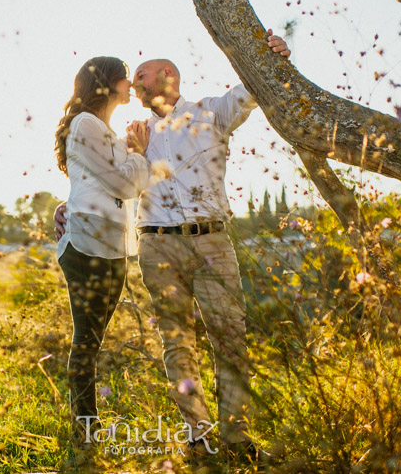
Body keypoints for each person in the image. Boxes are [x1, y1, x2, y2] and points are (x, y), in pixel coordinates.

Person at [56, 31, 291, 462]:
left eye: (141, 75)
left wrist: (270, 52)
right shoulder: (131, 135)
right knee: (177, 343)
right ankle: (198, 437)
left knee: (230, 338)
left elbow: (252, 88)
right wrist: (65, 205)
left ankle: (237, 440)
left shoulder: (209, 113)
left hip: (213, 241)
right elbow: (97, 179)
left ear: (167, 76)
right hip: (157, 247)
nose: (135, 83)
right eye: (130, 78)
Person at [54, 56, 151, 445]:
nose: (130, 84)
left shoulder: (104, 130)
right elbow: (123, 187)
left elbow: (101, 185)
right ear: (108, 84)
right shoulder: (86, 124)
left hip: (111, 244)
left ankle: (87, 424)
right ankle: (85, 429)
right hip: (87, 244)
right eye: (125, 78)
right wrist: (139, 154)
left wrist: (131, 155)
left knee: (92, 340)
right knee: (86, 339)